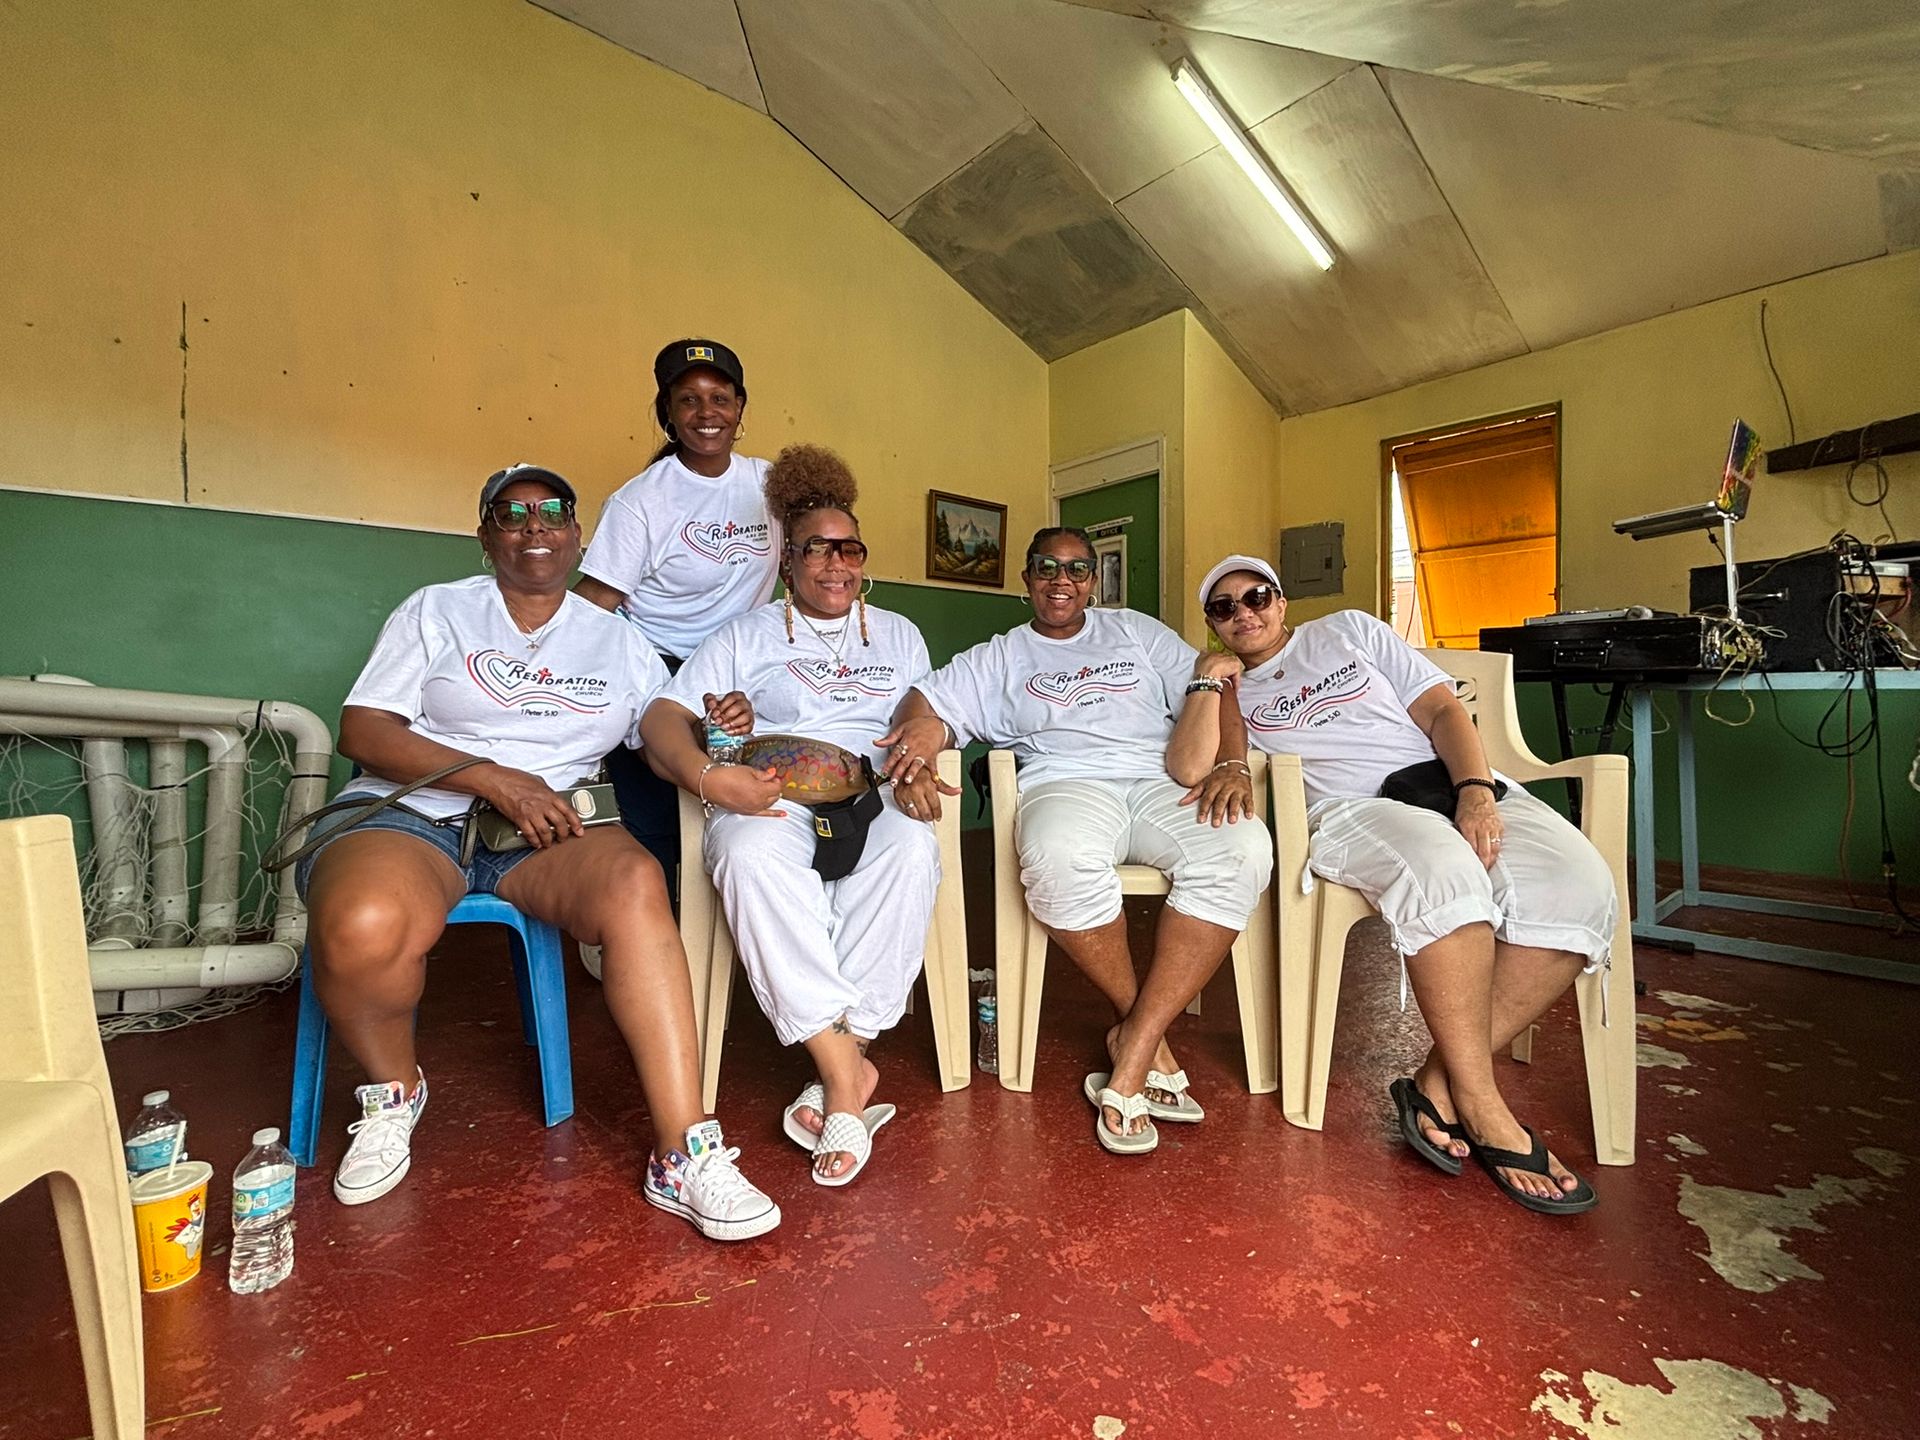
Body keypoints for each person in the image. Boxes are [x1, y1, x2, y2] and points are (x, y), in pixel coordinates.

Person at [294, 463, 780, 1241]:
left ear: (578, 536)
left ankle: (683, 1151)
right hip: (416, 813)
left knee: (634, 883)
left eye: (553, 513)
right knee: (363, 922)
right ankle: (394, 1091)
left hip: (547, 831)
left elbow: (657, 728)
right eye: (512, 514)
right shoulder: (439, 610)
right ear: (485, 535)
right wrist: (493, 778)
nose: (535, 528)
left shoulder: (617, 639)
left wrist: (711, 733)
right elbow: (365, 730)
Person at [1187, 552, 1614, 1215]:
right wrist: (1211, 684)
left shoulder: (1350, 630)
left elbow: (1442, 711)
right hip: (1354, 812)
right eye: (1223, 607)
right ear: (1214, 625)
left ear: (1282, 600)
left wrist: (1476, 790)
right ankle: (1485, 1106)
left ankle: (1437, 1084)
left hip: (1446, 782)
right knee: (1444, 877)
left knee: (1579, 885)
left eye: (1257, 596)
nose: (1244, 613)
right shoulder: (1229, 688)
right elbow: (1220, 760)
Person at [883, 527, 1273, 1155]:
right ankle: (1145, 1039)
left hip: (1160, 778)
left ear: (1094, 580)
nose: (1061, 581)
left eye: (1076, 570)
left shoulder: (1136, 632)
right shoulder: (1000, 657)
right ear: (1027, 578)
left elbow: (1217, 683)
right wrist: (925, 736)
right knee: (1056, 858)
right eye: (1046, 567)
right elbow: (921, 702)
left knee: (1242, 848)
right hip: (1063, 782)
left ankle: (1134, 1041)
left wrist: (1231, 762)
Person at [640, 445, 940, 1187]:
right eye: (817, 548)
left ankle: (847, 1058)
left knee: (911, 849)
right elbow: (661, 719)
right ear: (787, 563)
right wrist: (712, 771)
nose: (836, 563)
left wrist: (920, 754)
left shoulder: (899, 634)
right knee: (748, 856)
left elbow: (925, 711)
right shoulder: (744, 635)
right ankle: (845, 1075)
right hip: (772, 793)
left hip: (872, 791)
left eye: (850, 548)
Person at [575, 339, 777, 888]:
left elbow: (813, 555)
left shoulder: (769, 485)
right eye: (688, 399)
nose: (706, 412)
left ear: (740, 406)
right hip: (657, 669)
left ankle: (736, 915)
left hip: (740, 670)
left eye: (720, 398)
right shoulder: (640, 501)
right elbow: (596, 604)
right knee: (660, 817)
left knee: (749, 811)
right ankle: (651, 916)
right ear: (667, 410)